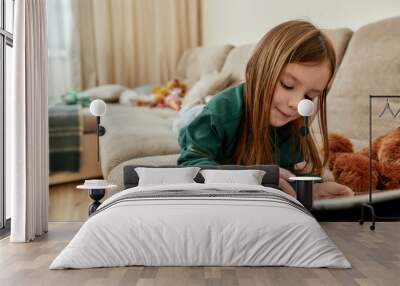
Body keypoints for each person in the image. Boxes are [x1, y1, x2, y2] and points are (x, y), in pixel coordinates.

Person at [177, 20, 354, 199]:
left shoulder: (293, 124)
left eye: (309, 97)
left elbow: (287, 172)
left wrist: (313, 190)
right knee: (187, 114)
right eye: (287, 85)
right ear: (257, 70)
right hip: (196, 115)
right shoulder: (222, 110)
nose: (297, 104)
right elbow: (190, 165)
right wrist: (254, 176)